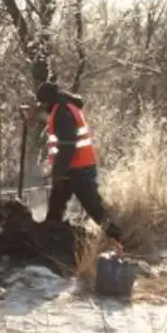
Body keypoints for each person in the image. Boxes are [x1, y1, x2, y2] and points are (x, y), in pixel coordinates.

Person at [36, 80, 124, 250]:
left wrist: (58, 173)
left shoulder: (63, 111)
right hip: (72, 168)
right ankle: (49, 243)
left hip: (78, 169)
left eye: (43, 102)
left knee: (94, 208)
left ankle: (118, 240)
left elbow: (68, 144)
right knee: (56, 206)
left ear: (49, 100)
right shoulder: (65, 107)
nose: (42, 106)